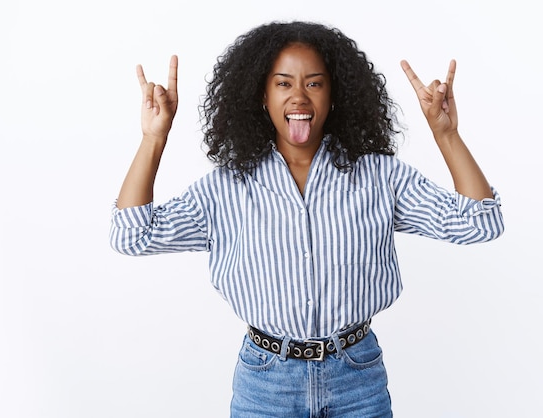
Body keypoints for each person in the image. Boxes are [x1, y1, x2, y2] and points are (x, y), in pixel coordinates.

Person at [110, 20, 504, 417]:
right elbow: (132, 235)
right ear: (262, 94)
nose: (299, 96)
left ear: (335, 95)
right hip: (266, 384)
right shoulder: (226, 188)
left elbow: (480, 223)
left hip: (358, 379)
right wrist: (153, 139)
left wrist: (446, 135)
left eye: (314, 83)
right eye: (283, 83)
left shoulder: (380, 177)